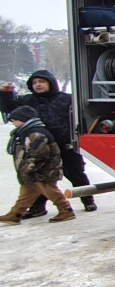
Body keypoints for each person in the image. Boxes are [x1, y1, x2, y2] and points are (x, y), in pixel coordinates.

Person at [0, 70, 95, 216]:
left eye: (41, 82)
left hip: (66, 145)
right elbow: (8, 108)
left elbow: (84, 115)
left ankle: (88, 200)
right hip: (40, 148)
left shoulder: (67, 99)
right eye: (34, 83)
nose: (38, 85)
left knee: (76, 174)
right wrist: (5, 94)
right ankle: (38, 207)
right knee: (40, 177)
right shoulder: (28, 101)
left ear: (50, 83)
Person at [1, 106, 76, 225]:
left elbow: (39, 154)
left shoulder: (36, 133)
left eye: (15, 120)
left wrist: (27, 169)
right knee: (26, 193)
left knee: (50, 191)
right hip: (33, 171)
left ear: (24, 119)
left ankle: (66, 210)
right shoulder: (27, 132)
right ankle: (15, 214)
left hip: (42, 171)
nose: (13, 123)